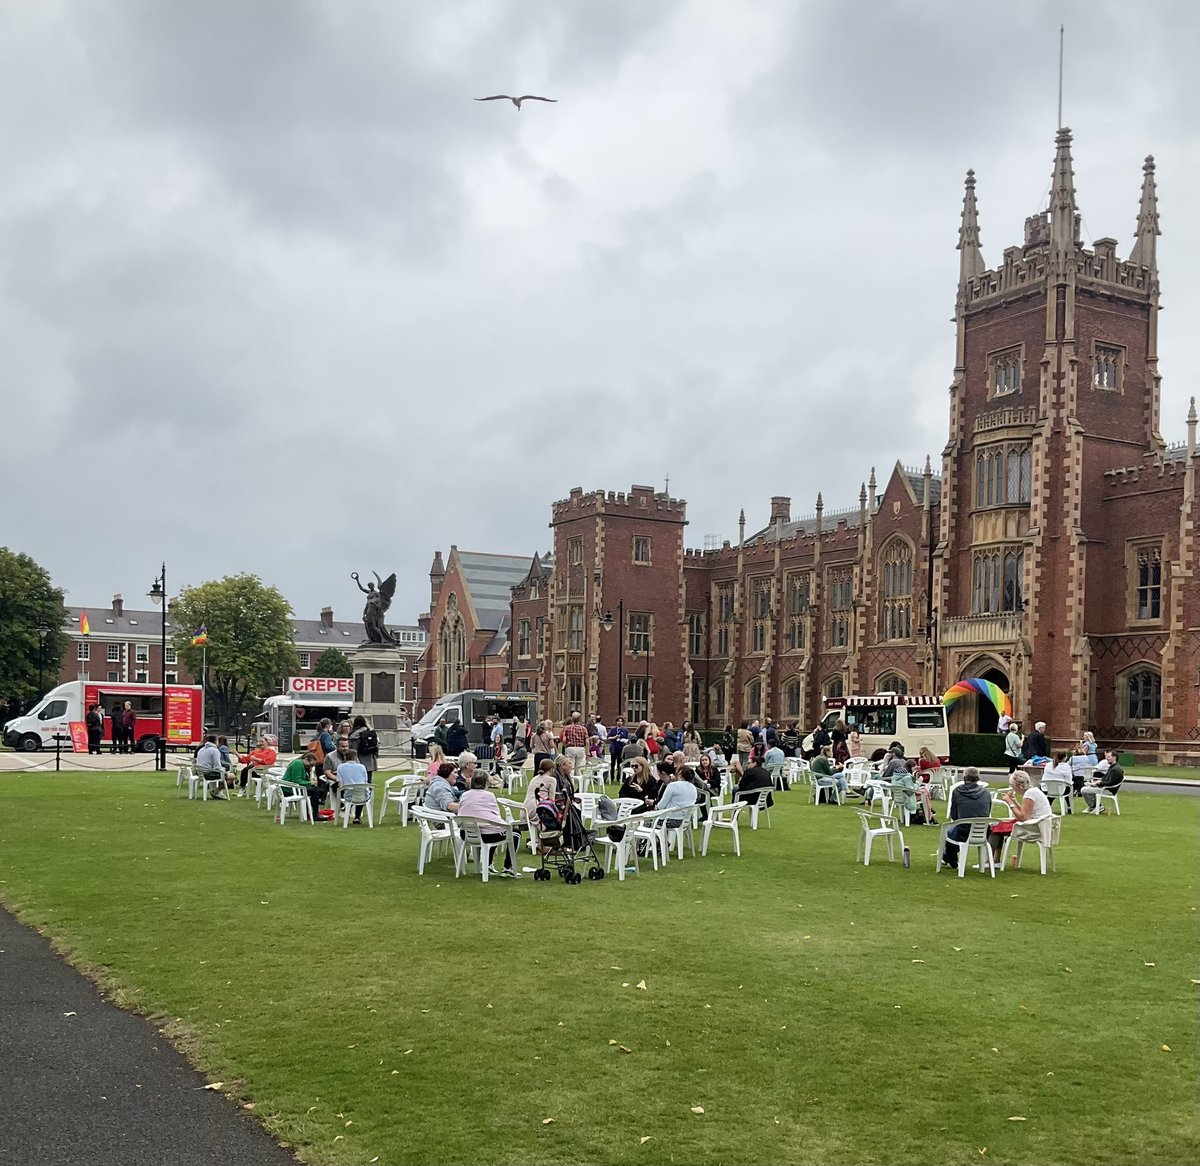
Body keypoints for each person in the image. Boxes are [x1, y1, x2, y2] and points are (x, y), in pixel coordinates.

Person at [456, 771, 519, 875]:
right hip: (485, 835)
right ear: (486, 783)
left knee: (493, 828)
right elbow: (496, 816)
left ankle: (488, 865)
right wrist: (506, 825)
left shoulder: (464, 795)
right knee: (514, 833)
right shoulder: (489, 795)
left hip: (466, 834)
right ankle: (508, 867)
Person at [992, 770, 1053, 861]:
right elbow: (1025, 812)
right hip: (1039, 825)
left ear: (1018, 785)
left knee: (996, 828)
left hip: (1033, 829)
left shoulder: (1030, 794)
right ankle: (994, 860)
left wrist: (1009, 802)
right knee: (999, 825)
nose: (1012, 788)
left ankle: (990, 861)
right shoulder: (1034, 791)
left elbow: (1022, 817)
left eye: (1012, 786)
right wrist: (1014, 801)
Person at [940, 767, 993, 869]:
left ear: (964, 778)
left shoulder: (957, 792)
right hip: (984, 832)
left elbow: (954, 815)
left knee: (950, 831)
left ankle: (950, 859)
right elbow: (988, 812)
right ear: (978, 778)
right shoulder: (986, 793)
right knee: (955, 830)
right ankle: (947, 857)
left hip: (963, 832)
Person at [280, 748, 323, 820]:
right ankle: (314, 814)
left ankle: (310, 812)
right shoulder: (298, 763)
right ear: (306, 759)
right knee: (315, 792)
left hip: (296, 787)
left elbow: (301, 781)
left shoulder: (303, 766)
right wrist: (310, 783)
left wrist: (310, 783)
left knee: (320, 790)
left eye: (313, 766)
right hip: (289, 789)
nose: (311, 767)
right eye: (311, 764)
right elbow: (296, 780)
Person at [336, 748, 371, 823]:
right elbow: (365, 781)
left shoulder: (340, 767)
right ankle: (357, 816)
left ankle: (345, 808)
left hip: (349, 795)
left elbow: (340, 784)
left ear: (345, 757)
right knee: (361, 791)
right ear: (356, 757)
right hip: (363, 795)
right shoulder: (362, 767)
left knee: (349, 793)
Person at [348, 715, 379, 784]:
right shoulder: (370, 732)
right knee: (368, 781)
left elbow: (353, 750)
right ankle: (369, 794)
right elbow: (376, 745)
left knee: (357, 781)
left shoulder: (354, 735)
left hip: (359, 760)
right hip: (370, 760)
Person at [607, 715, 630, 780]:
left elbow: (627, 739)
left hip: (621, 748)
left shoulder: (625, 730)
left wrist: (624, 741)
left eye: (621, 721)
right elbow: (608, 737)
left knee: (620, 764)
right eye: (618, 721)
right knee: (612, 763)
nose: (620, 722)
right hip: (614, 748)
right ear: (616, 722)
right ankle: (611, 777)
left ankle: (619, 777)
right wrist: (614, 737)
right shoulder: (613, 729)